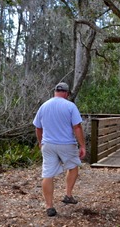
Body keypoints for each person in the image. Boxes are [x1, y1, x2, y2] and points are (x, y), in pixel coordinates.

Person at [33, 82, 86, 217]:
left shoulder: (44, 106)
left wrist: (41, 143)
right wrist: (82, 145)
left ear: (55, 91)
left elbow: (38, 128)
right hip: (67, 144)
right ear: (67, 93)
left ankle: (49, 206)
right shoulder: (70, 106)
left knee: (48, 174)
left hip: (48, 145)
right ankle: (68, 194)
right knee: (73, 167)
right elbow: (77, 127)